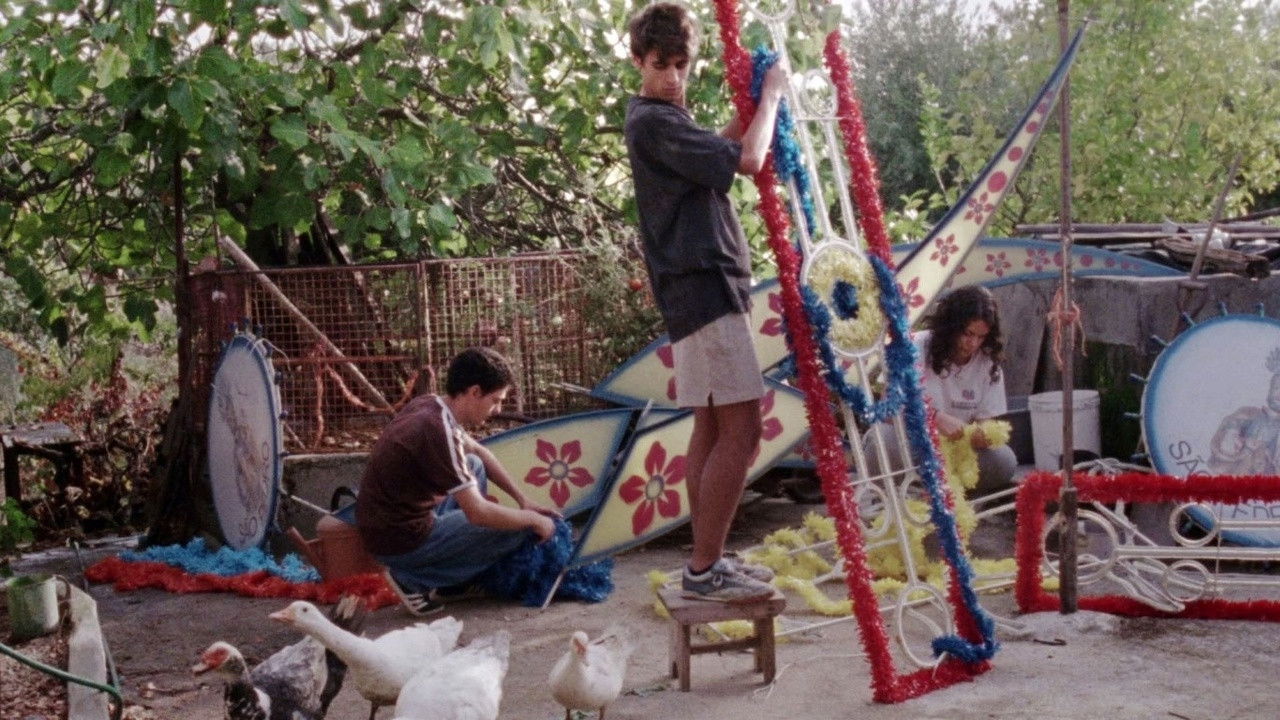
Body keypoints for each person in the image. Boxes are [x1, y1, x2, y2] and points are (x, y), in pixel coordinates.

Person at [623, 2, 786, 603]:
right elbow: (748, 159)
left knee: (712, 427)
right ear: (638, 61)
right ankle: (704, 567)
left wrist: (742, 117)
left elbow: (718, 151)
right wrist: (771, 97)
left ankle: (706, 560)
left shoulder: (660, 120)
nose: (671, 76)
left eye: (681, 65)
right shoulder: (653, 120)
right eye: (660, 64)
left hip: (696, 291)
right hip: (704, 288)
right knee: (743, 432)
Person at [356, 347, 559, 615]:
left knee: (473, 466)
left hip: (386, 526)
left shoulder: (431, 405)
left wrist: (523, 500)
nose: (497, 410)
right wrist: (533, 519)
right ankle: (412, 581)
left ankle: (453, 581)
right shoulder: (438, 431)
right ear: (474, 392)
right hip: (398, 541)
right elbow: (478, 514)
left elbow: (479, 452)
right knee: (519, 528)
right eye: (495, 400)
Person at [865, 285, 1017, 492]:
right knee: (881, 439)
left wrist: (981, 435)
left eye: (981, 337)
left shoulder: (989, 364)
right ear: (951, 326)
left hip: (956, 451)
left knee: (1004, 459)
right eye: (967, 333)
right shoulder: (915, 345)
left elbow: (986, 424)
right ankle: (896, 495)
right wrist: (935, 418)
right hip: (912, 442)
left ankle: (951, 495)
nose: (972, 343)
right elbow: (888, 406)